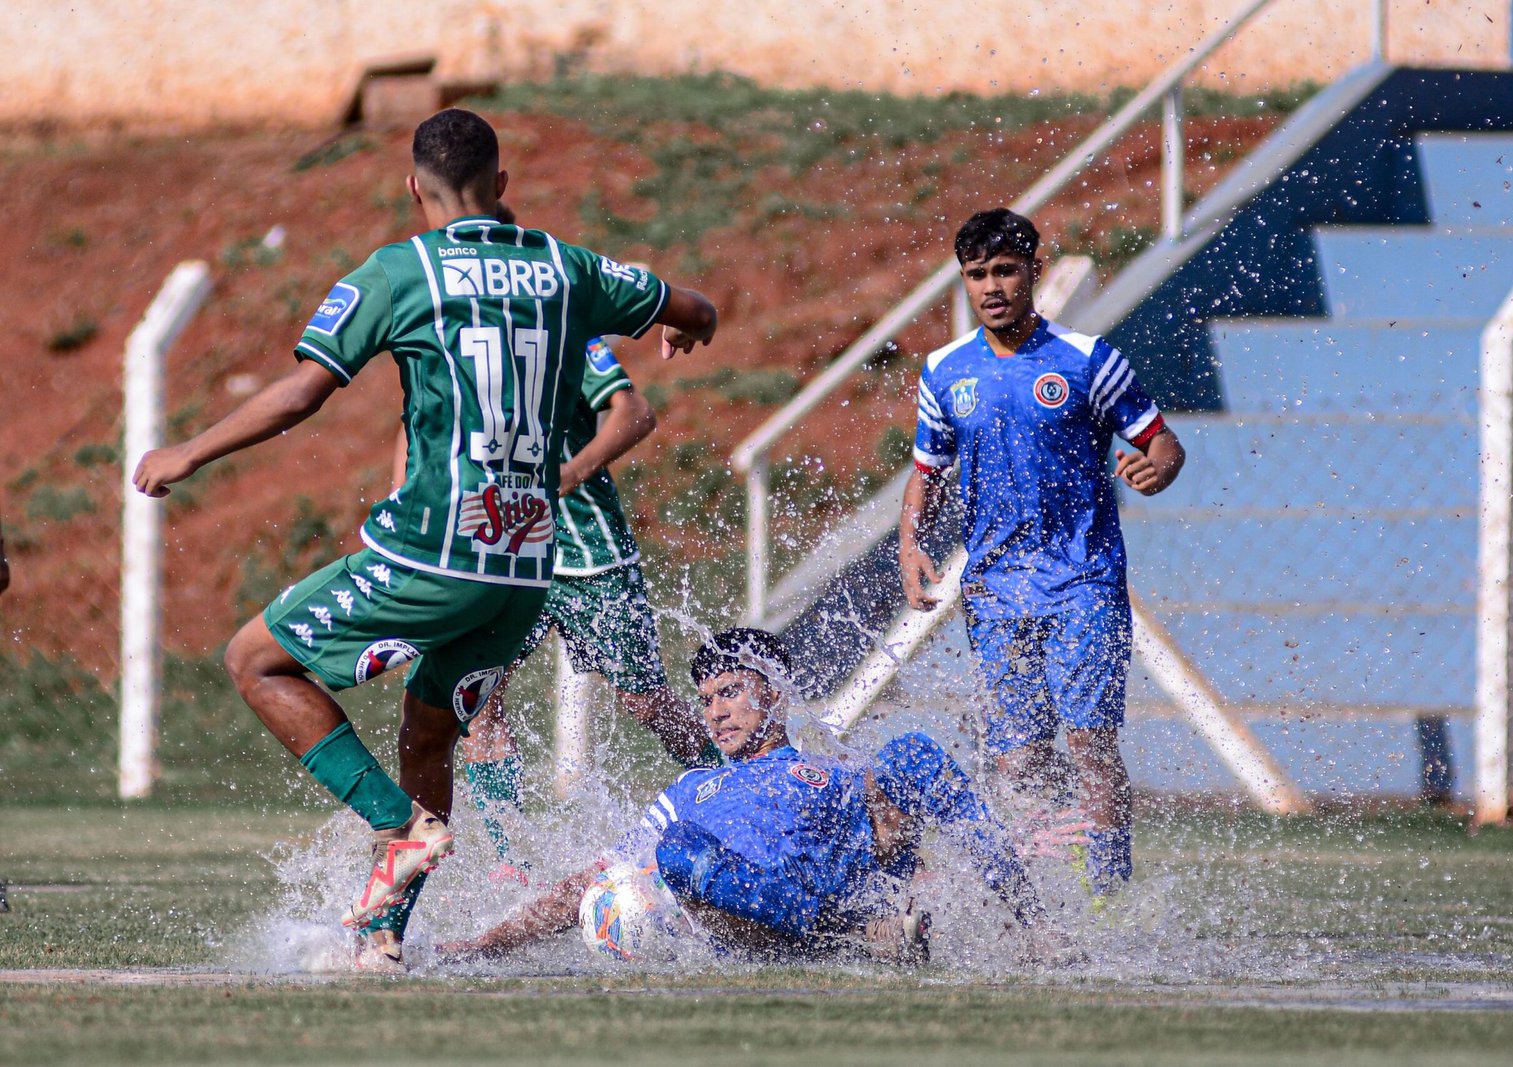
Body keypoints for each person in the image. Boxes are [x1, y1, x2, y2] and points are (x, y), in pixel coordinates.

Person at [132, 108, 718, 971]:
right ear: (503, 184)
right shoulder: (567, 266)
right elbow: (693, 306)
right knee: (427, 734)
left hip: (435, 551)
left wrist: (188, 449)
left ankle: (395, 825)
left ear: (415, 188)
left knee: (255, 660)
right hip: (527, 567)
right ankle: (383, 935)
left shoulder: (399, 271)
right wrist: (685, 324)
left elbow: (302, 395)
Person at [439, 628, 1042, 965]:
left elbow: (891, 833)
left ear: (775, 695)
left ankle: (1033, 922)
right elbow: (595, 879)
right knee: (673, 850)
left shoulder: (829, 766)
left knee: (911, 751)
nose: (715, 712)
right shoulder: (691, 788)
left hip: (845, 874)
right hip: (762, 916)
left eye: (730, 692)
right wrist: (486, 942)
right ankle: (857, 935)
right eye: (705, 700)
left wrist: (890, 826)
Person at [897, 208, 1185, 897]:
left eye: (1004, 270)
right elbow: (927, 470)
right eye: (976, 275)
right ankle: (1048, 873)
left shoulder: (1087, 361)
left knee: (1088, 741)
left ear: (1033, 271)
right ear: (963, 281)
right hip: (995, 588)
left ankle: (1111, 883)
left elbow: (1162, 441)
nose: (991, 287)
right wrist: (909, 539)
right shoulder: (944, 371)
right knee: (1021, 757)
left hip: (1083, 577)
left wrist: (1161, 466)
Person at [410, 325, 714, 881]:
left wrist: (571, 472)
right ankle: (512, 862)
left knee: (647, 705)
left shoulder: (561, 331)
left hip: (591, 559)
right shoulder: (457, 342)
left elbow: (637, 413)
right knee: (480, 698)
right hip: (507, 556)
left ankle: (731, 783)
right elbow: (418, 435)